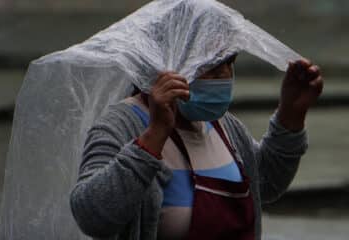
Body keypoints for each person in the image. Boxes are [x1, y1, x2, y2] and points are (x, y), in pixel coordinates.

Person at [70, 50, 323, 240]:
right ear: (171, 63)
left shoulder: (224, 126)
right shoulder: (123, 124)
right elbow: (91, 215)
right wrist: (154, 137)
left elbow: (265, 183)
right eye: (210, 67)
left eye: (229, 64)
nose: (223, 76)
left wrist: (291, 114)